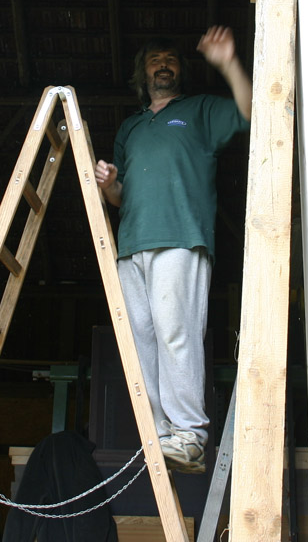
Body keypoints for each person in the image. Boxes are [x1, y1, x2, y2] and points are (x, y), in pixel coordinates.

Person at [94, 26, 252, 474]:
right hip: (132, 244)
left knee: (175, 331)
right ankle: (160, 433)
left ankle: (190, 434)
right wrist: (108, 184)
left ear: (180, 70)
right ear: (142, 74)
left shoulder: (199, 110)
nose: (163, 65)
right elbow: (121, 196)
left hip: (181, 237)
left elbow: (251, 109)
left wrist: (227, 64)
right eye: (154, 60)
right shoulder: (131, 127)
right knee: (140, 339)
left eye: (171, 59)